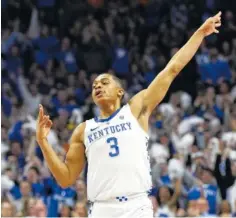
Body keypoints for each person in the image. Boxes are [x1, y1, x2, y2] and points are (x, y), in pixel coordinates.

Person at [36, 12, 222, 217]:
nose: (98, 86)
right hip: (101, 208)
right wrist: (43, 143)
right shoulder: (83, 130)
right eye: (94, 85)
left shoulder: (135, 110)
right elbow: (66, 179)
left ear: (120, 91)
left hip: (136, 205)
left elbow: (171, 70)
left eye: (105, 82)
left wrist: (199, 34)